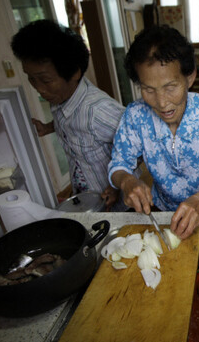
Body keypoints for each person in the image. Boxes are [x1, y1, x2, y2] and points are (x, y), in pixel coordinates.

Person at [108, 25, 199, 239]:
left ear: (189, 77)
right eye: (148, 90)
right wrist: (127, 181)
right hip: (163, 215)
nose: (162, 103)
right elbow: (118, 163)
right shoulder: (135, 115)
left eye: (170, 87)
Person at [11, 19, 125, 211]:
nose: (39, 90)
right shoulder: (61, 99)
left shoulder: (98, 111)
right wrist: (48, 127)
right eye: (31, 79)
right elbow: (69, 124)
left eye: (45, 80)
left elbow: (139, 146)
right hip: (86, 195)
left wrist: (117, 185)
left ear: (74, 73)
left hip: (115, 203)